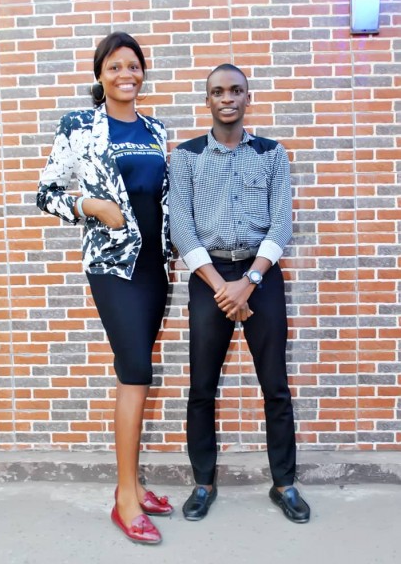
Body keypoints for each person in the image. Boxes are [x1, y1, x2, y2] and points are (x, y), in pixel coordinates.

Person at [37, 31, 173, 545]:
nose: (125, 74)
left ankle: (134, 484)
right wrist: (89, 206)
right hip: (112, 266)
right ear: (100, 74)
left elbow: (162, 196)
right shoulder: (79, 126)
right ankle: (124, 500)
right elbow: (46, 192)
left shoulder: (155, 128)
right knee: (135, 370)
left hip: (154, 266)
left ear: (143, 73)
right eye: (114, 66)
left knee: (139, 372)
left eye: (133, 66)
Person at [169, 63, 310, 524]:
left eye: (235, 90)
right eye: (218, 92)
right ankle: (203, 483)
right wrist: (222, 287)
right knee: (201, 387)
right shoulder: (186, 157)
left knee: (276, 387)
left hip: (260, 276)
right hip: (209, 276)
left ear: (248, 97)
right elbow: (182, 228)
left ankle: (284, 484)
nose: (227, 98)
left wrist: (248, 282)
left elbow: (281, 223)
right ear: (207, 100)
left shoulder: (271, 154)